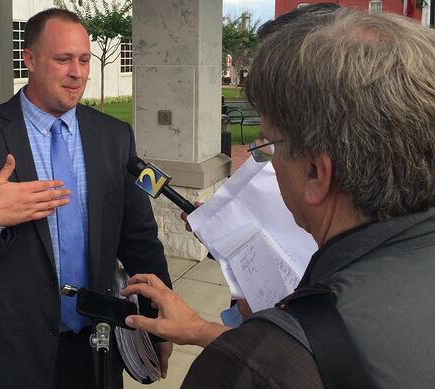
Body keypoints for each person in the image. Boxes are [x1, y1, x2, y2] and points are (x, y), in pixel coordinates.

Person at [122, 6, 435, 388]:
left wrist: (225, 336)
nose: (264, 160)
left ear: (317, 173)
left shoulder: (257, 365)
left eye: (269, 144)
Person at [0, 8, 172, 389]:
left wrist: (159, 322)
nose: (77, 72)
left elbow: (140, 241)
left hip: (94, 351)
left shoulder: (114, 137)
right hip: (2, 357)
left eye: (84, 60)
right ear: (28, 59)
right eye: (63, 59)